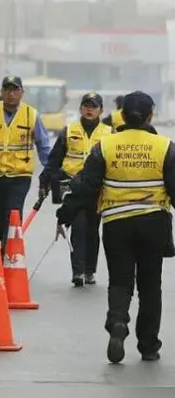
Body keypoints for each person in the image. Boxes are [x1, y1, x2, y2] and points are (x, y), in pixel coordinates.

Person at [57, 91, 175, 363]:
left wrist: (65, 214)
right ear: (150, 115)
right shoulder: (165, 147)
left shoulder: (105, 146)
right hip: (153, 224)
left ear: (121, 115)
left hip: (116, 224)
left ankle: (118, 322)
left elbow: (86, 186)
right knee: (150, 285)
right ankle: (148, 345)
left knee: (120, 281)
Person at [40, 91, 110, 286]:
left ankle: (90, 270)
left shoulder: (109, 133)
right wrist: (45, 181)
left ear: (101, 110)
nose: (89, 109)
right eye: (86, 105)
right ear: (80, 108)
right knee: (78, 226)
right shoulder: (68, 131)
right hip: (72, 186)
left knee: (92, 228)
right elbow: (54, 159)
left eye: (94, 106)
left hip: (96, 188)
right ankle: (78, 271)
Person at [0, 75, 52, 249]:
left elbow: (43, 145)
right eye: (7, 90)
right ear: (1, 92)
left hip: (19, 175)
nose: (11, 94)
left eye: (15, 90)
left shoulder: (31, 115)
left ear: (21, 93)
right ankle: (5, 242)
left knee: (13, 212)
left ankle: (10, 251)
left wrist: (50, 172)